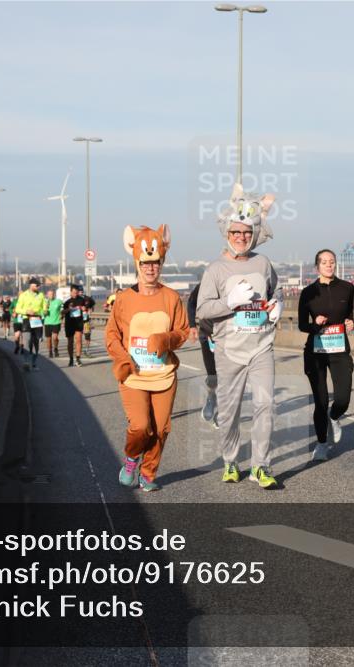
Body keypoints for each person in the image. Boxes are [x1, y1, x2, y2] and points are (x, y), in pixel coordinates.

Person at [197, 183, 282, 489]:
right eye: (236, 233)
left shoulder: (263, 263)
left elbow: (276, 289)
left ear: (254, 234)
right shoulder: (215, 269)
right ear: (227, 234)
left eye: (247, 232)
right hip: (230, 350)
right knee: (230, 412)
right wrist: (230, 302)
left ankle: (261, 466)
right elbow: (203, 310)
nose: (242, 237)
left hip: (261, 347)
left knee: (265, 405)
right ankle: (231, 460)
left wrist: (277, 305)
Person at [106, 225, 189, 492]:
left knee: (161, 429)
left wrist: (166, 340)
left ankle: (148, 472)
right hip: (133, 375)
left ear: (162, 262)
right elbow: (112, 335)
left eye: (156, 263)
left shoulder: (172, 298)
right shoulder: (123, 299)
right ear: (137, 263)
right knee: (142, 426)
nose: (151, 268)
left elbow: (183, 331)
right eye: (146, 263)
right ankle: (131, 459)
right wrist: (121, 360)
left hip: (164, 375)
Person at [299, 249, 354, 462]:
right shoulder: (308, 292)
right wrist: (315, 324)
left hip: (339, 350)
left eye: (332, 262)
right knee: (321, 401)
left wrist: (351, 323)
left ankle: (335, 416)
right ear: (317, 267)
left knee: (342, 398)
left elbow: (350, 316)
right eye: (324, 262)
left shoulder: (347, 288)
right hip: (316, 351)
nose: (329, 265)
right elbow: (302, 324)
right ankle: (322, 444)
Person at [187, 283, 219, 427]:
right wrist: (192, 324)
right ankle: (212, 396)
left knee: (230, 377)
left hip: (230, 337)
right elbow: (191, 302)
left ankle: (223, 414)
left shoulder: (236, 281)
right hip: (208, 336)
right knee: (213, 375)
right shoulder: (206, 282)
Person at [62, 284, 90, 367]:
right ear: (70, 292)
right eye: (74, 292)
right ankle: (71, 359)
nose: (75, 294)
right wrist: (69, 309)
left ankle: (78, 359)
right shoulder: (66, 301)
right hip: (69, 323)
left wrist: (84, 308)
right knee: (70, 342)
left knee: (78, 340)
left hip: (79, 323)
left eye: (77, 293)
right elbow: (62, 312)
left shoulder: (81, 300)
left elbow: (86, 308)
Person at [42, 286, 64, 358]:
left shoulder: (58, 301)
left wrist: (62, 314)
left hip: (56, 322)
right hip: (47, 322)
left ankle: (56, 348)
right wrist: (44, 312)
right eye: (49, 294)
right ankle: (50, 351)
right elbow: (42, 313)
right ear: (47, 295)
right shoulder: (45, 302)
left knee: (55, 337)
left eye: (52, 294)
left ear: (54, 295)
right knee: (48, 339)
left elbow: (63, 308)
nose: (51, 295)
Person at [79, 286, 96, 357]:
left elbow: (92, 306)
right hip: (77, 321)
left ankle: (86, 350)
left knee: (87, 336)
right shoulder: (74, 299)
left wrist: (90, 310)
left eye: (81, 291)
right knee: (78, 337)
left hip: (86, 321)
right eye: (79, 291)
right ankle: (78, 349)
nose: (81, 292)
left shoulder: (88, 299)